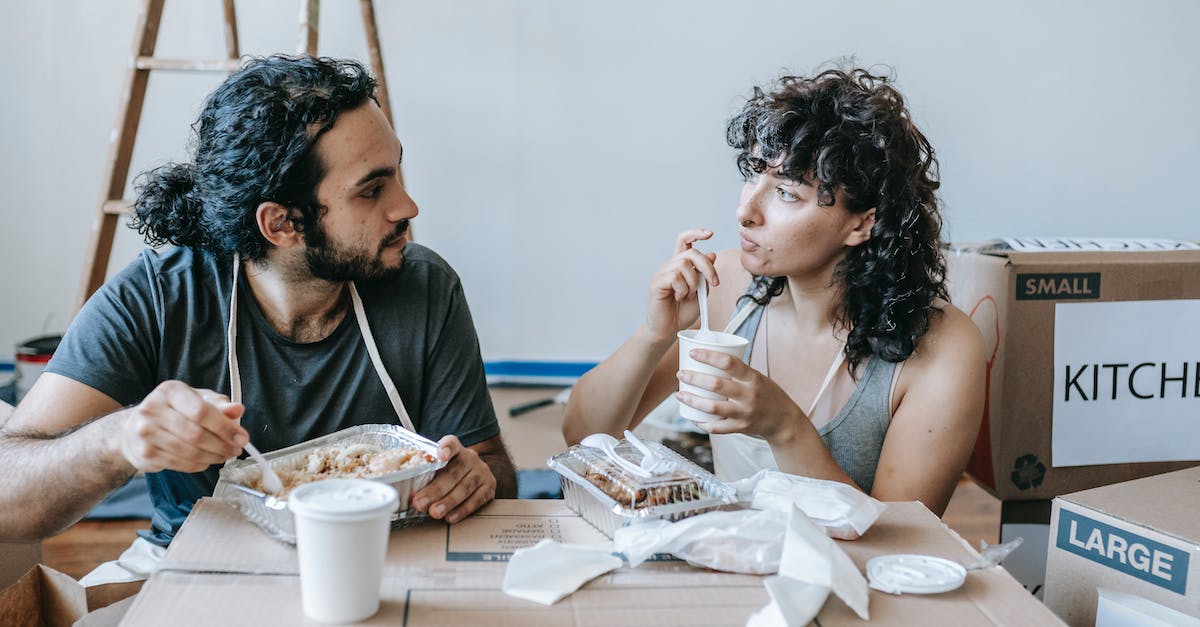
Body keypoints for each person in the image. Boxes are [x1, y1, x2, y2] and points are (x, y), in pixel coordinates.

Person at [0, 55, 516, 546]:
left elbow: (490, 465)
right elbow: (7, 493)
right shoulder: (160, 297)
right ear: (281, 223)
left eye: (396, 173)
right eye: (371, 190)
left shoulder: (424, 285)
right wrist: (120, 439)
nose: (408, 206)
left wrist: (476, 478)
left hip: (381, 554)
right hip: (195, 569)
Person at [563, 68, 984, 516]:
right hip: (729, 552)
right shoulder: (725, 287)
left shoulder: (944, 348)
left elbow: (905, 538)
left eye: (786, 193)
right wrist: (653, 334)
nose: (745, 212)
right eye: (754, 174)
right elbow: (583, 436)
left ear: (862, 223)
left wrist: (785, 427)